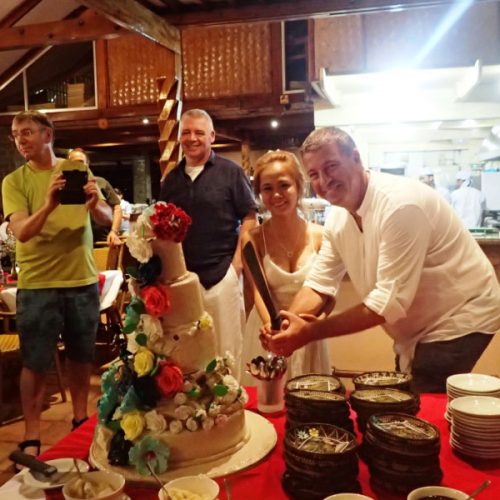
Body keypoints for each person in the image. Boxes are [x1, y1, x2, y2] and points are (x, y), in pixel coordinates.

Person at [263, 127, 500, 393]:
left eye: (331, 166)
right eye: (314, 174)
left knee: (422, 393)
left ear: (356, 158)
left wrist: (310, 332)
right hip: (418, 323)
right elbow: (320, 282)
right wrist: (284, 326)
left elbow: (388, 303)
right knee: (406, 392)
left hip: (461, 313)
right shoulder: (338, 218)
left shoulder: (399, 206)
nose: (324, 180)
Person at [1, 110, 112, 461]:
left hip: (81, 280)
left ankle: (79, 420)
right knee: (34, 363)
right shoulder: (14, 182)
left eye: (27, 132)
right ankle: (32, 436)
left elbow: (107, 217)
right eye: (16, 134)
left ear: (47, 135)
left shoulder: (77, 170)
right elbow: (22, 232)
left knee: (81, 358)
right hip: (38, 285)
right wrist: (49, 205)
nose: (20, 140)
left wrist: (95, 206)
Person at [158, 109, 258, 379]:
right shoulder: (171, 180)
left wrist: (236, 266)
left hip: (221, 275)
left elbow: (250, 218)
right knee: (188, 353)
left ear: (212, 136)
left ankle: (232, 402)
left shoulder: (231, 172)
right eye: (186, 132)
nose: (192, 138)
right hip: (183, 281)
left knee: (227, 350)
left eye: (199, 132)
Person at [240, 150, 330, 385]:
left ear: (299, 187)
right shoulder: (253, 238)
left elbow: (329, 292)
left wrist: (317, 324)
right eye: (267, 188)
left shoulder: (321, 236)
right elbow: (257, 290)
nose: (277, 194)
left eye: (284, 185)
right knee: (266, 401)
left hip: (308, 336)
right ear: (260, 194)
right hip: (267, 331)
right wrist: (272, 327)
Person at [67, 148, 122, 246]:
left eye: (80, 162)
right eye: (72, 163)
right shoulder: (64, 187)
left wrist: (114, 231)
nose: (77, 165)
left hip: (103, 240)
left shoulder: (100, 182)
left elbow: (117, 208)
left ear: (87, 164)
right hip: (77, 242)